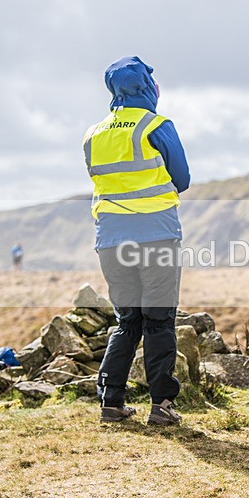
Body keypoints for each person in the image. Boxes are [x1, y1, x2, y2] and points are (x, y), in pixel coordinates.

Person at [83, 56, 190, 425]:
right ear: (147, 86)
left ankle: (111, 403)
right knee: (159, 321)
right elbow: (183, 177)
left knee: (127, 321)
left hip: (111, 240)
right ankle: (161, 405)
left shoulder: (93, 133)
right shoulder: (156, 125)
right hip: (156, 237)